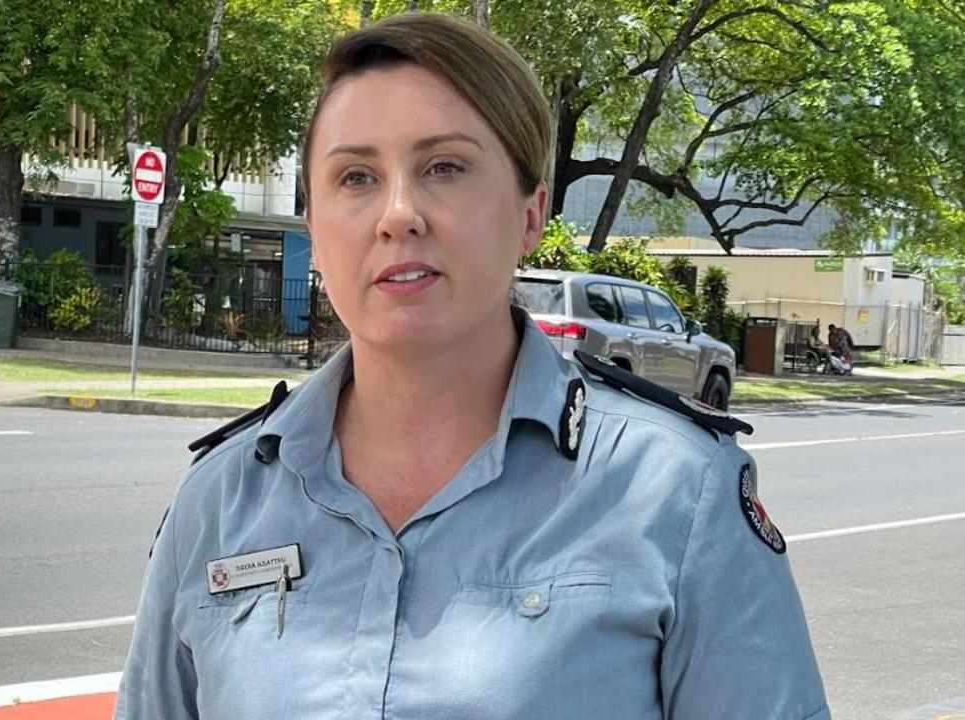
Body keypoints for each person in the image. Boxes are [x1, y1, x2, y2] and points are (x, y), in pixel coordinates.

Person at [115, 13, 830, 720]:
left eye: (445, 168)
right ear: (316, 231)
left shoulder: (675, 491)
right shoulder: (219, 501)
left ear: (530, 216)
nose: (397, 214)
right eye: (356, 177)